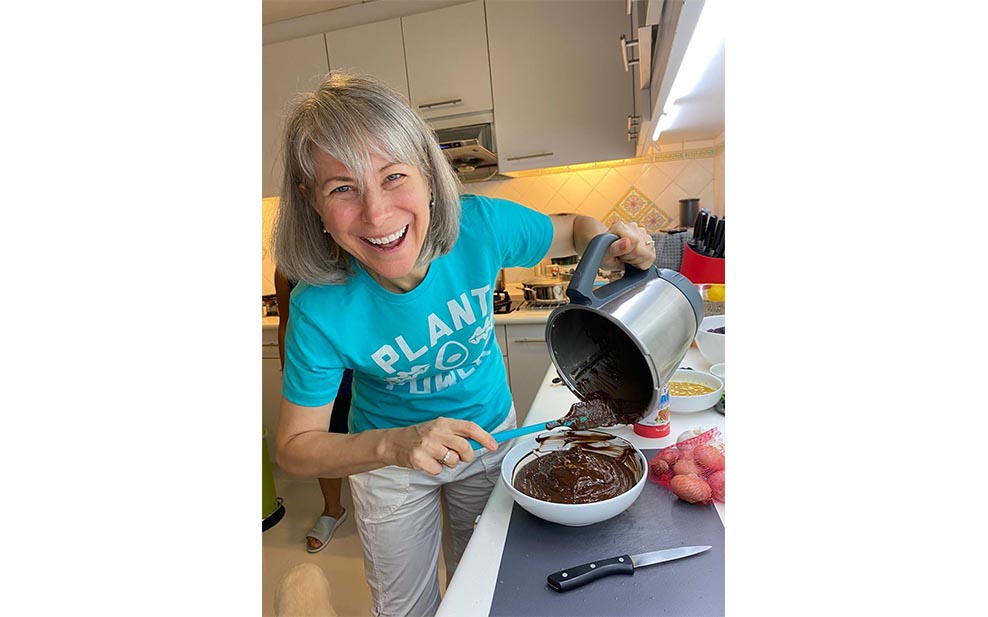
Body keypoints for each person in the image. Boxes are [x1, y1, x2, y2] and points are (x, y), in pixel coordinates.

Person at [271, 71, 656, 617]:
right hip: (389, 466)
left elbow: (574, 228)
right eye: (342, 188)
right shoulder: (321, 307)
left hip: (491, 439)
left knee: (482, 588)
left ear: (429, 176)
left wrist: (613, 241)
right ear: (312, 202)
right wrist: (394, 444)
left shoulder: (481, 226)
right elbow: (295, 446)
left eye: (393, 176)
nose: (377, 215)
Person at [274, 269, 350, 553]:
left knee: (375, 429)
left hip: (366, 366)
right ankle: (332, 509)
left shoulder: (356, 254)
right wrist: (289, 375)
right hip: (320, 372)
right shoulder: (287, 271)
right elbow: (286, 323)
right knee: (322, 439)